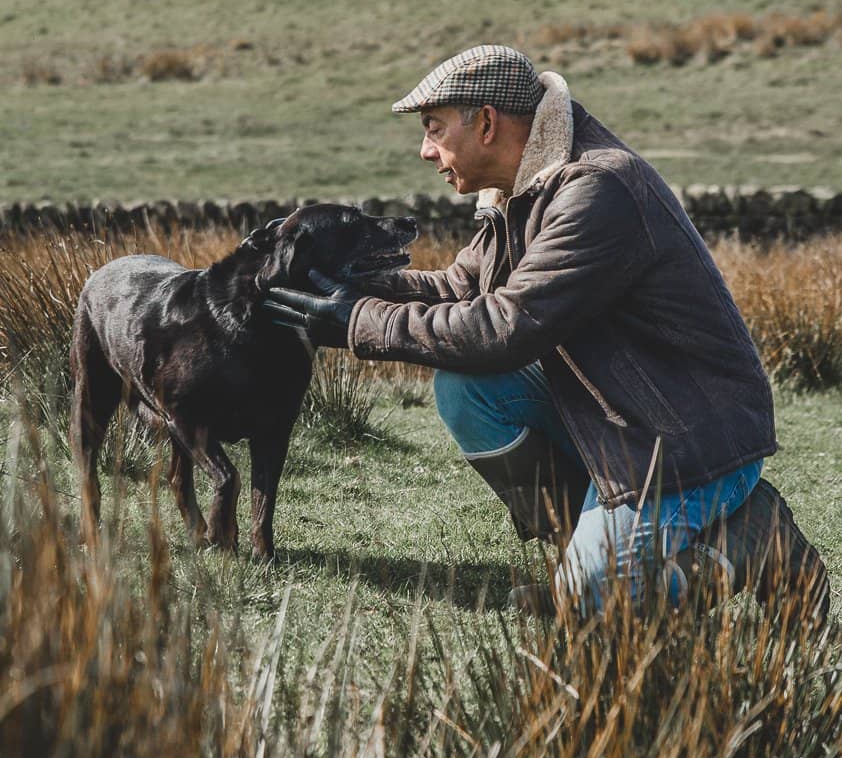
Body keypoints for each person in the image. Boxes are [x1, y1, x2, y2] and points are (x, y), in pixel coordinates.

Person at [265, 44, 829, 622]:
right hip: (620, 421)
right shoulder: (523, 188)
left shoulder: (596, 189)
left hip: (682, 438)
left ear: (486, 122)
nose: (425, 149)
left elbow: (506, 327)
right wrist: (344, 293)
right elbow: (464, 288)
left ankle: (757, 541)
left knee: (596, 605)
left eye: (434, 129)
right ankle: (575, 563)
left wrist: (359, 320)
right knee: (468, 387)